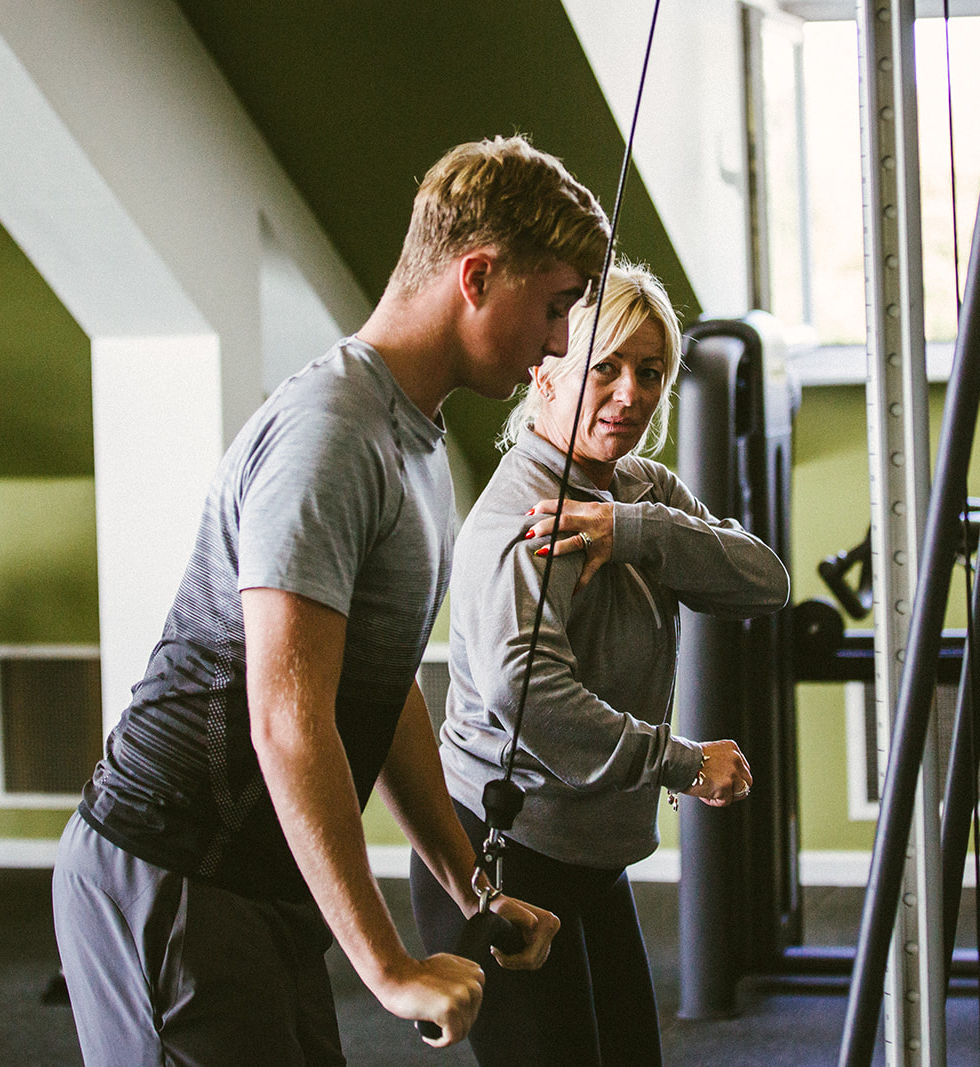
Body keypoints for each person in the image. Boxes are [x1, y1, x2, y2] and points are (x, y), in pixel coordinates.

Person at [53, 135, 614, 1066]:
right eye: (555, 306)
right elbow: (288, 717)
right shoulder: (332, 434)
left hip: (263, 880)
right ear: (477, 276)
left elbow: (379, 688)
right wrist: (388, 966)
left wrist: (472, 888)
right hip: (173, 869)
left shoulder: (415, 441)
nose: (559, 342)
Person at [410, 261, 790, 1067]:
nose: (629, 394)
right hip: (502, 855)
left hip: (589, 857)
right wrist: (683, 763)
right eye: (605, 366)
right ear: (543, 370)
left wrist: (632, 529)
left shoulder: (640, 491)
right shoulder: (524, 521)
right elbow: (530, 692)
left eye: (649, 372)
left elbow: (764, 581)